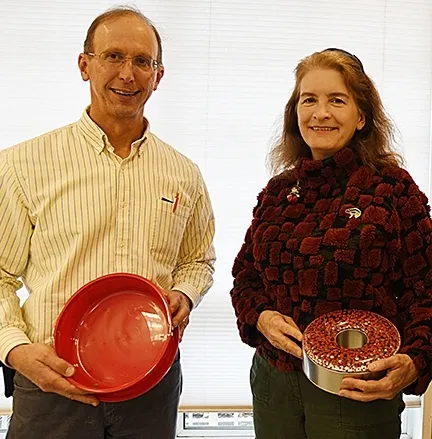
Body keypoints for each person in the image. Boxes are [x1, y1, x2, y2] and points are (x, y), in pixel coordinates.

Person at [0, 6, 215, 439]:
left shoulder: (183, 173)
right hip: (53, 384)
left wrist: (184, 295)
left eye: (142, 61)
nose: (128, 74)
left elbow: (199, 260)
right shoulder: (22, 165)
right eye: (113, 56)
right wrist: (15, 349)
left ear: (159, 75)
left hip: (151, 385)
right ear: (85, 65)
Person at [230, 48, 432, 439]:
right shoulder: (278, 192)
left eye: (336, 100)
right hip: (275, 385)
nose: (320, 113)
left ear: (361, 117)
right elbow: (246, 277)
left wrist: (416, 360)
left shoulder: (393, 191)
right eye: (309, 100)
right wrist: (261, 317)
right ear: (296, 114)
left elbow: (426, 289)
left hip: (355, 392)